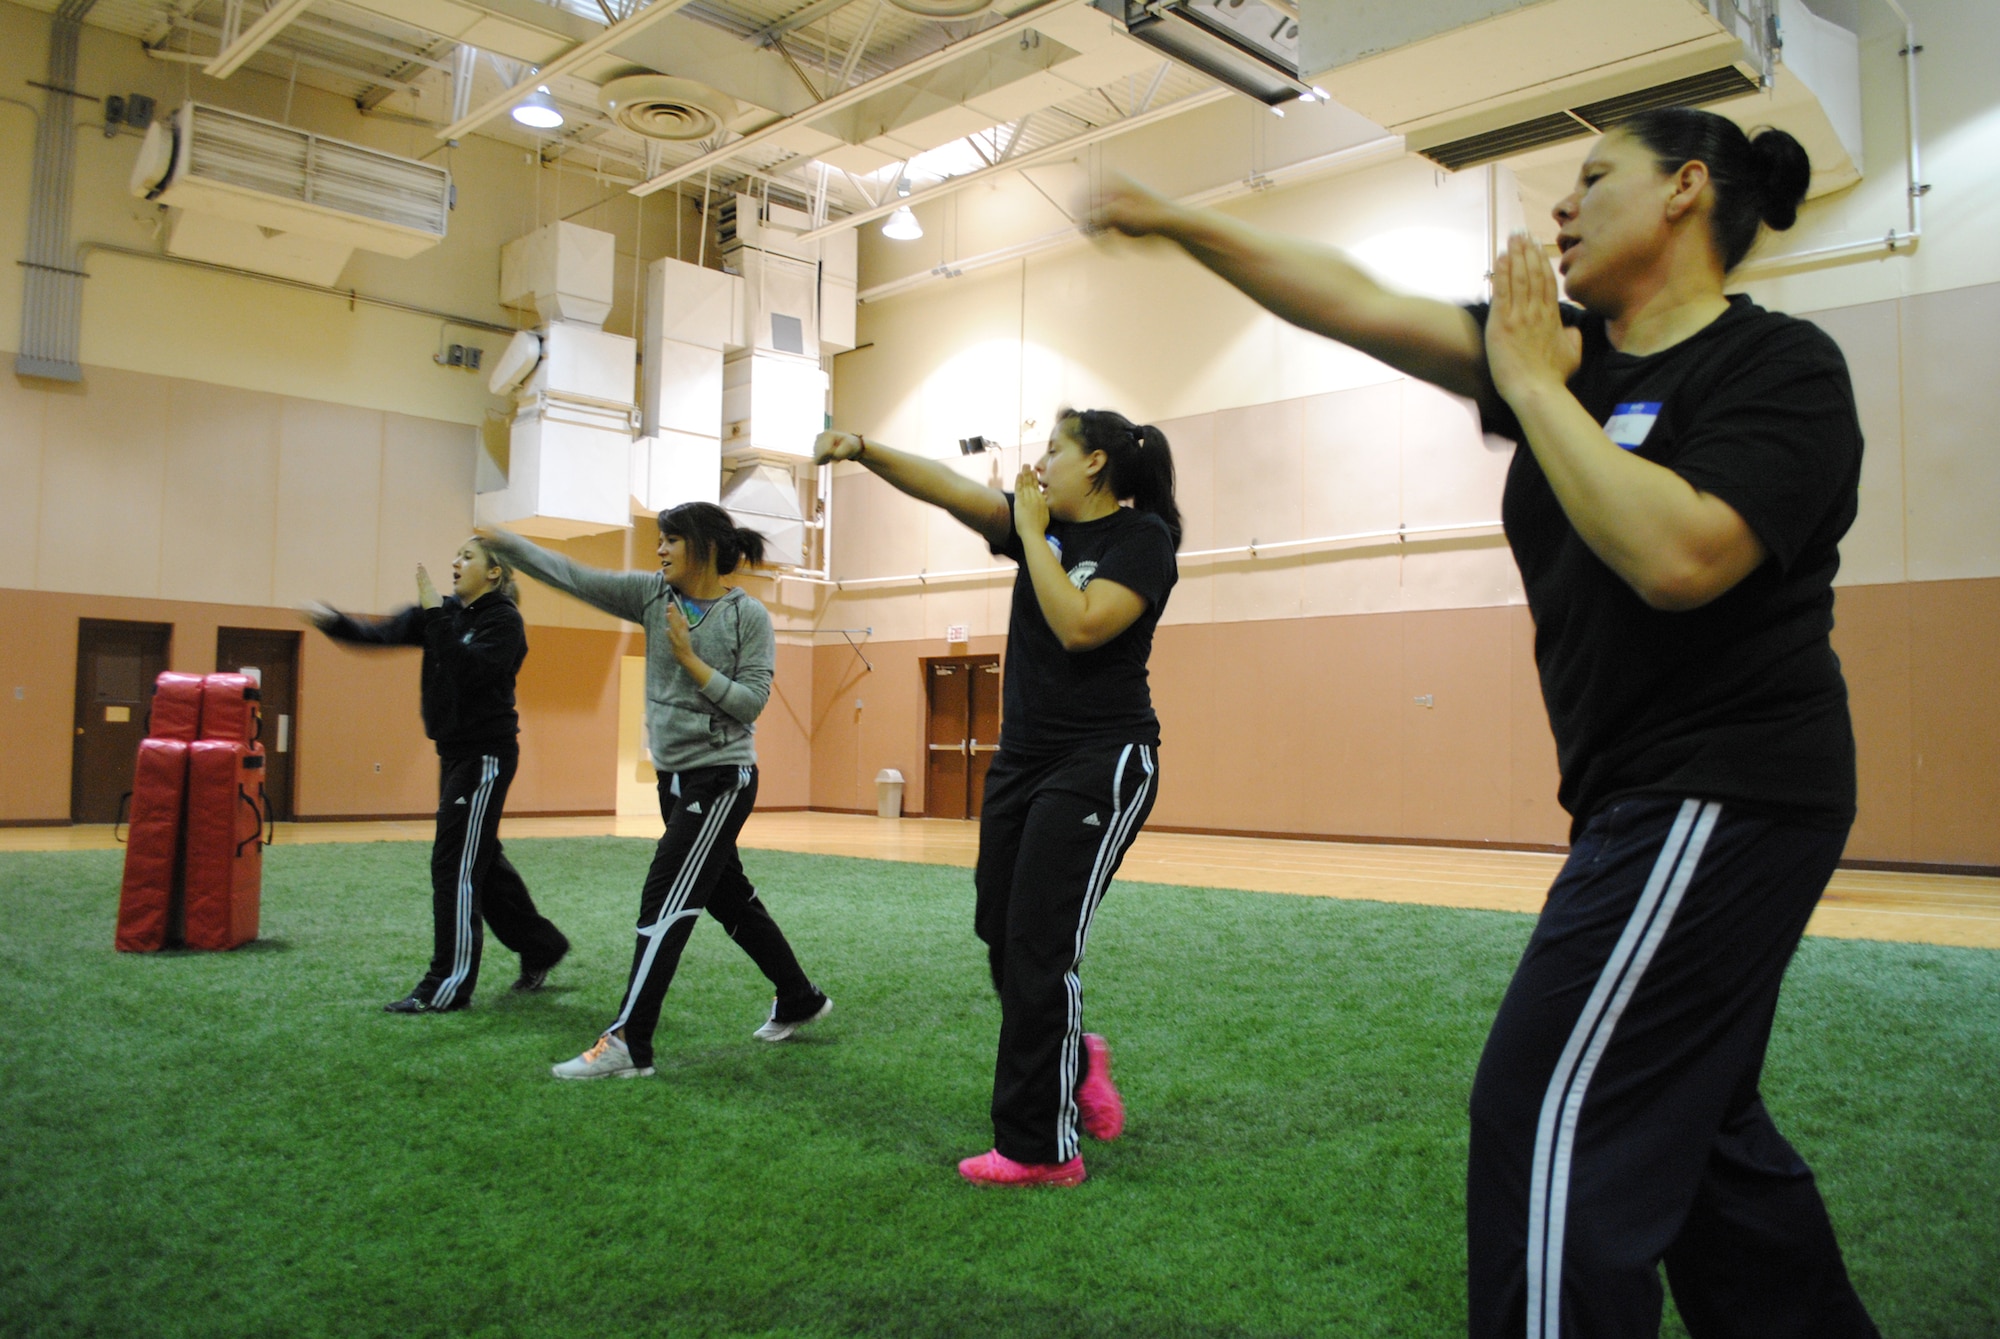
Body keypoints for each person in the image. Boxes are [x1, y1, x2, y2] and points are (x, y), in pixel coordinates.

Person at [1094, 108, 1878, 1335]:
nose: (1558, 209)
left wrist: (1526, 382)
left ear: (1683, 190)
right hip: (1644, 793)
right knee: (1702, 1124)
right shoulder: (1561, 361)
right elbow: (1347, 297)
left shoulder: (1773, 367)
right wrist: (1178, 218)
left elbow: (1676, 555)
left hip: (1718, 785)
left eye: (1590, 177)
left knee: (1547, 1106)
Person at [813, 412, 1180, 1187]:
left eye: (1056, 449)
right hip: (1023, 761)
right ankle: (1076, 1060)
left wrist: (1037, 535)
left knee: (1042, 944)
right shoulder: (1036, 525)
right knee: (1000, 928)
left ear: (1097, 465)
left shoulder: (1140, 539)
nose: (1040, 462)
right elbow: (950, 489)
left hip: (1101, 760)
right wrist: (866, 449)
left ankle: (1041, 1148)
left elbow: (1080, 624)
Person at [480, 505, 830, 1080]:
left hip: (721, 779)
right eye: (659, 541)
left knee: (664, 899)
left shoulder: (748, 616)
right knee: (728, 897)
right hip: (675, 782)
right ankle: (799, 997)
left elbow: (749, 704)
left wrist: (690, 659)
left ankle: (627, 1041)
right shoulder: (651, 594)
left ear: (705, 547)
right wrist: (509, 544)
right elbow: (572, 577)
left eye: (670, 540)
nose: (660, 551)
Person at [303, 538, 570, 1013]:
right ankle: (542, 946)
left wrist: (435, 616)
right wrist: (333, 621)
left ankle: (446, 984)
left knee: (455, 865)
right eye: (457, 555)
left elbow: (469, 671)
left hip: (485, 757)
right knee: (479, 862)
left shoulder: (502, 621)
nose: (455, 562)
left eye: (468, 557)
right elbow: (379, 636)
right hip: (453, 754)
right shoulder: (442, 613)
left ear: (494, 573)